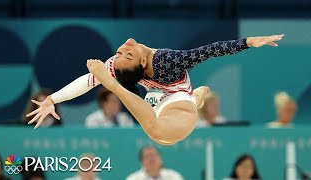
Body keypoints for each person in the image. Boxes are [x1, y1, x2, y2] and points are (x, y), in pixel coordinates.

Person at [26, 35, 284, 145]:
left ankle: (196, 98)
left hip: (177, 98)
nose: (123, 47)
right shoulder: (134, 65)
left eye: (121, 53)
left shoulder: (169, 60)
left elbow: (210, 50)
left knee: (161, 134)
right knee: (155, 130)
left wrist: (250, 42)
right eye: (123, 54)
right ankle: (197, 98)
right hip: (154, 97)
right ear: (138, 63)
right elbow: (86, 81)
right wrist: (52, 98)